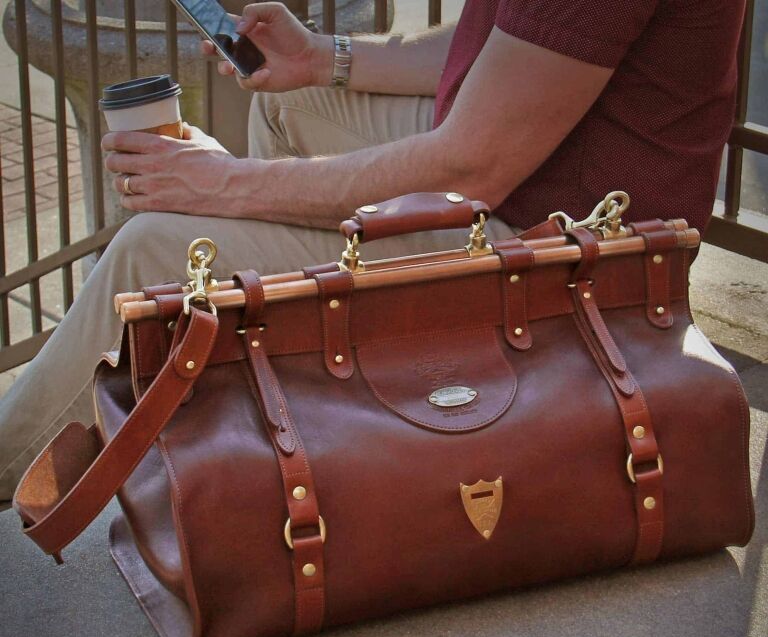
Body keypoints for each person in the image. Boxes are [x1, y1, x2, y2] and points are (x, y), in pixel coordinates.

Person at [0, 0, 746, 500]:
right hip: (533, 177)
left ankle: (7, 466)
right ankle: (315, 375)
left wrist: (223, 187)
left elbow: (470, 167)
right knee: (292, 102)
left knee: (157, 248)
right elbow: (497, 48)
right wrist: (326, 58)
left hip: (574, 248)